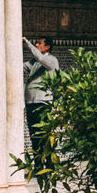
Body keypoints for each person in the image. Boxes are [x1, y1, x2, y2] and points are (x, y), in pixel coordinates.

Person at [23, 35, 60, 166]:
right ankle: (38, 166)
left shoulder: (51, 60)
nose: (37, 45)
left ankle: (49, 165)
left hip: (42, 104)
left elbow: (39, 57)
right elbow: (20, 67)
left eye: (39, 43)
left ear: (47, 46)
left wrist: (27, 43)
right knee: (34, 136)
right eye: (36, 43)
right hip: (31, 104)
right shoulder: (34, 62)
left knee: (44, 136)